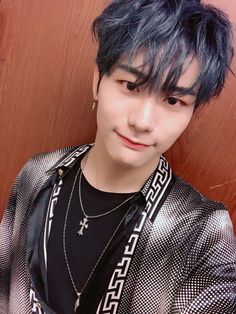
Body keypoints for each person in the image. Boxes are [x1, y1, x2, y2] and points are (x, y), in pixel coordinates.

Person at [1, 0, 236, 313]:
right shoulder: (36, 173)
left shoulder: (201, 233)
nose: (143, 121)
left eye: (173, 100)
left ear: (192, 111)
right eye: (131, 85)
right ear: (98, 80)